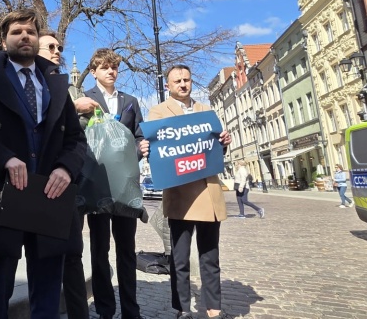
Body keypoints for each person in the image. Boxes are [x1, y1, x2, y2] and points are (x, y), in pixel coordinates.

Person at [0, 8, 85, 318]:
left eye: (30, 31)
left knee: (47, 291)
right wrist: (4, 159)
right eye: (16, 32)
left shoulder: (57, 86)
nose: (24, 36)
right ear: (4, 41)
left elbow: (76, 141)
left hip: (49, 196)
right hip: (4, 195)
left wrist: (66, 168)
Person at [139, 65, 233, 319]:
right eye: (177, 81)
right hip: (180, 195)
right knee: (179, 260)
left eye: (186, 80)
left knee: (210, 257)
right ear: (168, 85)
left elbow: (213, 150)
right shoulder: (158, 112)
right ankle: (182, 309)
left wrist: (223, 142)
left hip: (208, 192)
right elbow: (159, 153)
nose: (183, 84)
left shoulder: (206, 111)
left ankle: (214, 308)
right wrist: (147, 148)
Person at [80, 48, 144, 319]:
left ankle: (131, 311)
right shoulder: (84, 99)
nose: (111, 71)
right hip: (98, 185)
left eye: (114, 67)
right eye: (105, 67)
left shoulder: (130, 101)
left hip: (126, 189)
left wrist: (141, 148)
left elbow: (139, 136)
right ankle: (106, 309)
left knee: (127, 251)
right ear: (93, 71)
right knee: (99, 250)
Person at [36, 30, 87, 319]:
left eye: (59, 47)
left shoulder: (63, 85)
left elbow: (77, 140)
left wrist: (67, 168)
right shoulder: (25, 84)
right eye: (51, 47)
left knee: (71, 258)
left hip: (62, 185)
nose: (57, 51)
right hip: (30, 186)